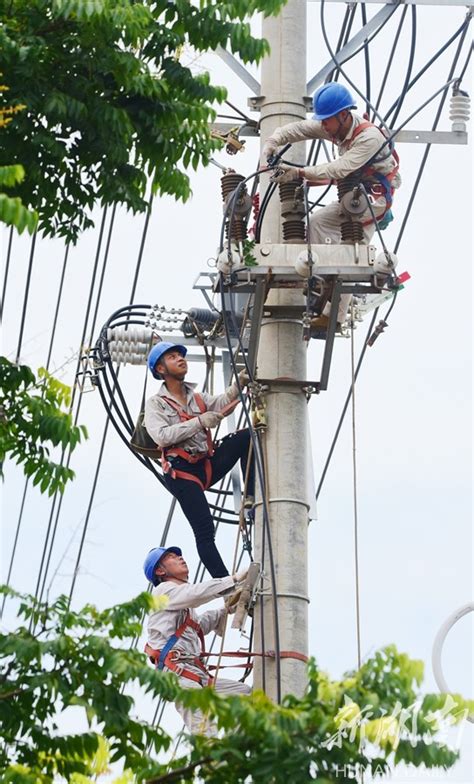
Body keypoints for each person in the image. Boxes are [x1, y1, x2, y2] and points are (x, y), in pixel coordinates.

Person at [261, 81, 401, 330]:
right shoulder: (336, 126)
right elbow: (301, 129)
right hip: (354, 195)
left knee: (354, 252)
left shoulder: (368, 137)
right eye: (322, 120)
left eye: (327, 120)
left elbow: (338, 168)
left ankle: (332, 316)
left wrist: (297, 173)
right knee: (316, 224)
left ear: (344, 115)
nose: (323, 125)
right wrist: (273, 141)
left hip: (372, 202)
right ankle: (318, 281)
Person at [144, 341, 254, 578]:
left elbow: (223, 402)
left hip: (205, 464)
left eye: (180, 356)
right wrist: (200, 422)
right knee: (204, 530)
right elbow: (161, 437)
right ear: (160, 370)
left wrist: (240, 384)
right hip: (181, 471)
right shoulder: (157, 403)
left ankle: (251, 498)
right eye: (173, 357)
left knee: (247, 437)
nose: (181, 359)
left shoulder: (196, 398)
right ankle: (225, 584)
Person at [144, 546, 251, 736]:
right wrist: (233, 580)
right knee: (205, 732)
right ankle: (214, 763)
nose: (180, 558)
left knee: (247, 696)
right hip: (178, 675)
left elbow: (198, 626)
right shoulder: (163, 592)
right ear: (160, 571)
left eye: (179, 555)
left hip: (195, 673)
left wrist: (228, 609)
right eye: (171, 557)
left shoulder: (182, 605)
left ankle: (238, 751)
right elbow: (194, 594)